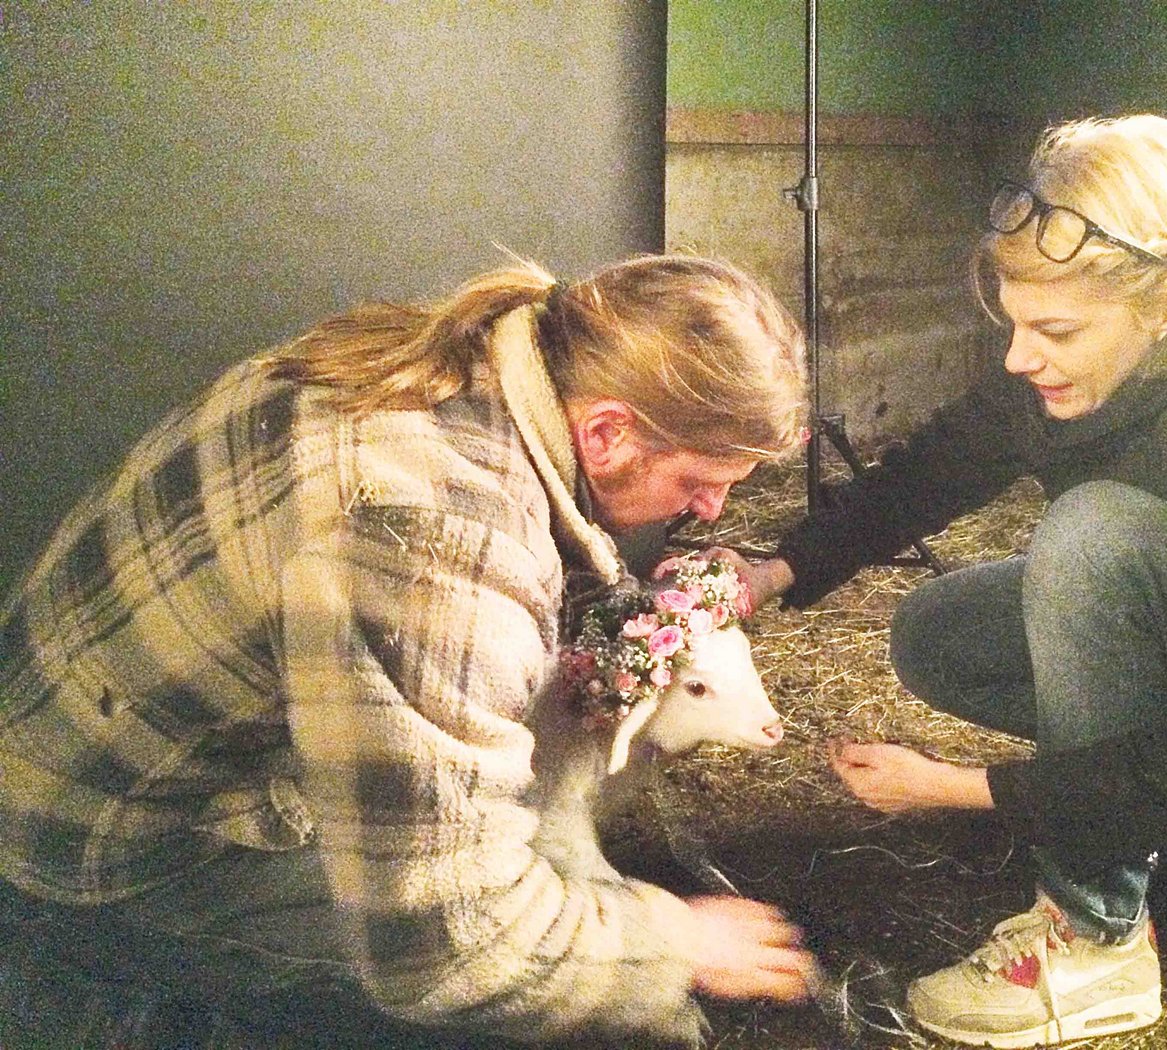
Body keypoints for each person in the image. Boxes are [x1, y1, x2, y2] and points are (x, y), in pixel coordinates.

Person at [0, 254, 817, 1048]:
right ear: (608, 432)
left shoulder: (447, 361)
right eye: (701, 480)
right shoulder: (434, 541)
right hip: (101, 859)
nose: (712, 511)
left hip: (68, 754)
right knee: (594, 1014)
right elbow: (452, 945)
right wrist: (671, 943)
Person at [727, 114, 1167, 1048]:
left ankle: (1094, 938)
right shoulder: (1114, 295)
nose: (1018, 355)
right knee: (940, 631)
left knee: (1094, 535)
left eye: (1052, 331)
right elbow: (956, 455)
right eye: (1014, 323)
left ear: (1166, 305)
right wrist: (778, 567)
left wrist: (963, 787)